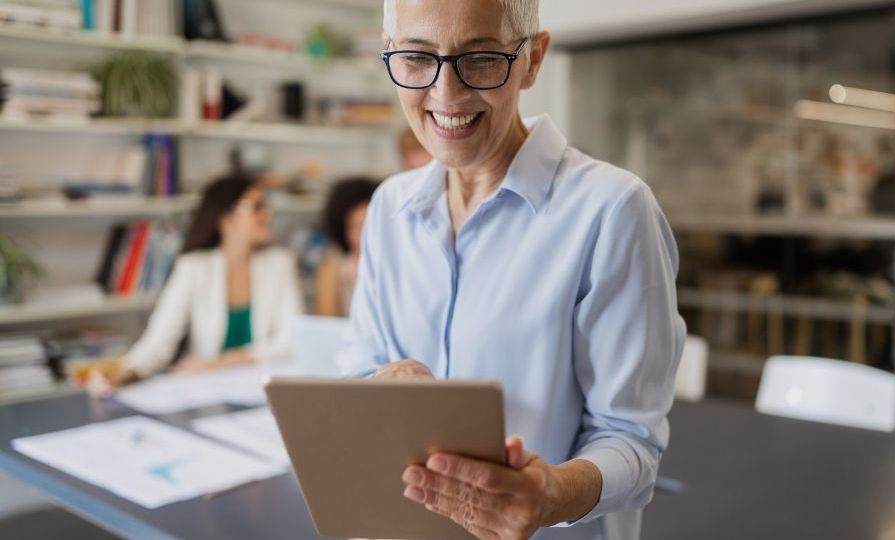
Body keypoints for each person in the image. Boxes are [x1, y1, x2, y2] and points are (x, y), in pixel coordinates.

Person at [351, 1, 687, 539]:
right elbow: (361, 374)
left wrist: (549, 494)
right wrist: (376, 387)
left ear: (533, 59)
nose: (446, 93)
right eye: (417, 58)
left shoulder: (612, 211)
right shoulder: (389, 209)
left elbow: (633, 443)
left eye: (481, 58)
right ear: (389, 54)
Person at [91, 176, 303, 391]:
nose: (267, 214)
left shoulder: (280, 264)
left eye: (265, 206)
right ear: (225, 218)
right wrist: (126, 371)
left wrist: (220, 363)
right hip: (204, 392)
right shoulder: (193, 268)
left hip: (260, 388)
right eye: (256, 207)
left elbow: (291, 340)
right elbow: (159, 341)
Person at [313, 177, 379, 317]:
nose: (364, 235)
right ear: (342, 230)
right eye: (356, 227)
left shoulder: (396, 265)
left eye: (369, 225)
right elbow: (326, 323)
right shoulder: (332, 268)